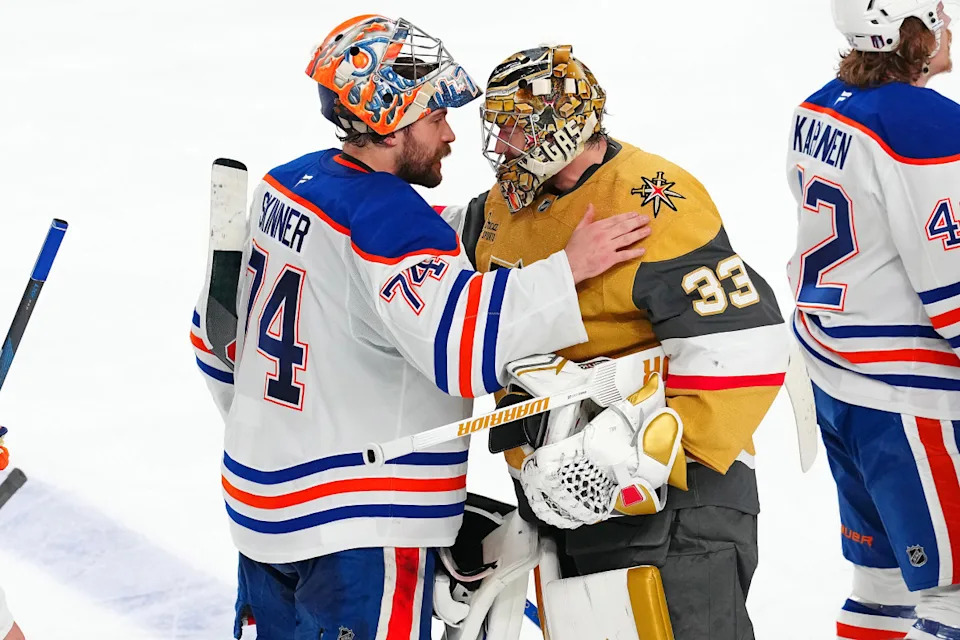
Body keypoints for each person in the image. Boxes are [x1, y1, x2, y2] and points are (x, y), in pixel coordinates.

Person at [189, 16, 652, 640]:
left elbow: (214, 339)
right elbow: (459, 346)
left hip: (260, 507)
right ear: (390, 121)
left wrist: (278, 434)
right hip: (357, 525)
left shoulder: (287, 184)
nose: (452, 132)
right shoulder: (391, 221)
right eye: (435, 116)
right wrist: (566, 269)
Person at [451, 44, 788, 639]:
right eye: (496, 127)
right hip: (558, 497)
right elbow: (438, 270)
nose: (499, 144)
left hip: (671, 501)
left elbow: (743, 344)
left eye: (514, 127)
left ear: (561, 126)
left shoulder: (652, 199)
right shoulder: (503, 204)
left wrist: (632, 462)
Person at [787, 2, 960, 638]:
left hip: (836, 379)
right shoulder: (927, 124)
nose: (949, 22)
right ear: (907, 28)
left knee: (883, 589)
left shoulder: (819, 106)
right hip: (910, 401)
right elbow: (953, 289)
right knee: (955, 601)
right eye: (938, 12)